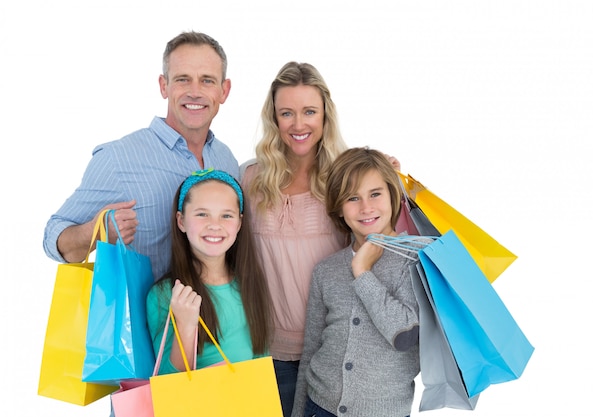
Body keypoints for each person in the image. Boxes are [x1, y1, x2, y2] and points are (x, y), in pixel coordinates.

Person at [240, 62, 400, 416]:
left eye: (309, 111)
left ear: (325, 115)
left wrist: (392, 181)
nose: (299, 124)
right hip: (264, 353)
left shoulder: (347, 179)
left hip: (338, 352)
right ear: (274, 118)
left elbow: (386, 242)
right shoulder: (250, 179)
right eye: (287, 113)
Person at [43, 31, 238, 281]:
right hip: (144, 319)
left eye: (207, 80)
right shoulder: (118, 159)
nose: (195, 92)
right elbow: (53, 238)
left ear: (224, 90)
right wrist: (95, 232)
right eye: (183, 79)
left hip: (218, 319)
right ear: (163, 85)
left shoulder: (227, 161)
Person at [291, 147, 428, 417]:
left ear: (394, 195)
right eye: (352, 198)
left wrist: (363, 272)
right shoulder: (326, 270)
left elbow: (405, 334)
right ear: (339, 209)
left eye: (375, 194)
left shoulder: (415, 260)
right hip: (319, 407)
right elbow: (310, 352)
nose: (366, 208)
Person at [146, 168, 272, 374]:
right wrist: (185, 326)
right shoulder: (165, 294)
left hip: (248, 404)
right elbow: (168, 384)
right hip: (197, 406)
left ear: (239, 223)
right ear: (181, 221)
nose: (215, 225)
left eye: (226, 215)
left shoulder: (249, 284)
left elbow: (261, 361)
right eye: (202, 214)